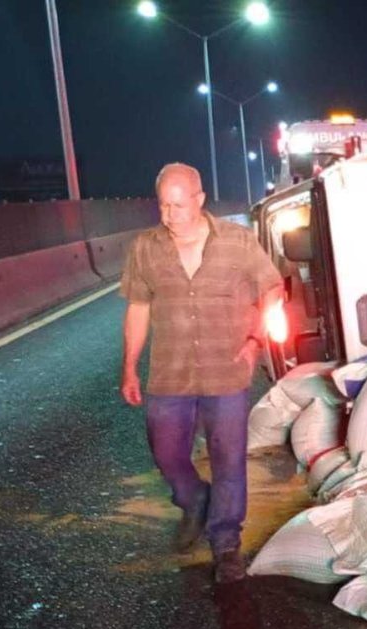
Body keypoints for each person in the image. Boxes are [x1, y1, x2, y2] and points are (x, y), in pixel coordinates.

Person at [119, 162, 283, 582]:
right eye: (163, 205)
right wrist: (129, 368)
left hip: (226, 372)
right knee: (167, 453)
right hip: (169, 375)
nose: (170, 215)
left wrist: (254, 342)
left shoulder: (237, 242)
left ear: (199, 201)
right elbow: (137, 307)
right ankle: (192, 497)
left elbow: (272, 289)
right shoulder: (146, 247)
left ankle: (226, 543)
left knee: (229, 459)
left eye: (178, 205)